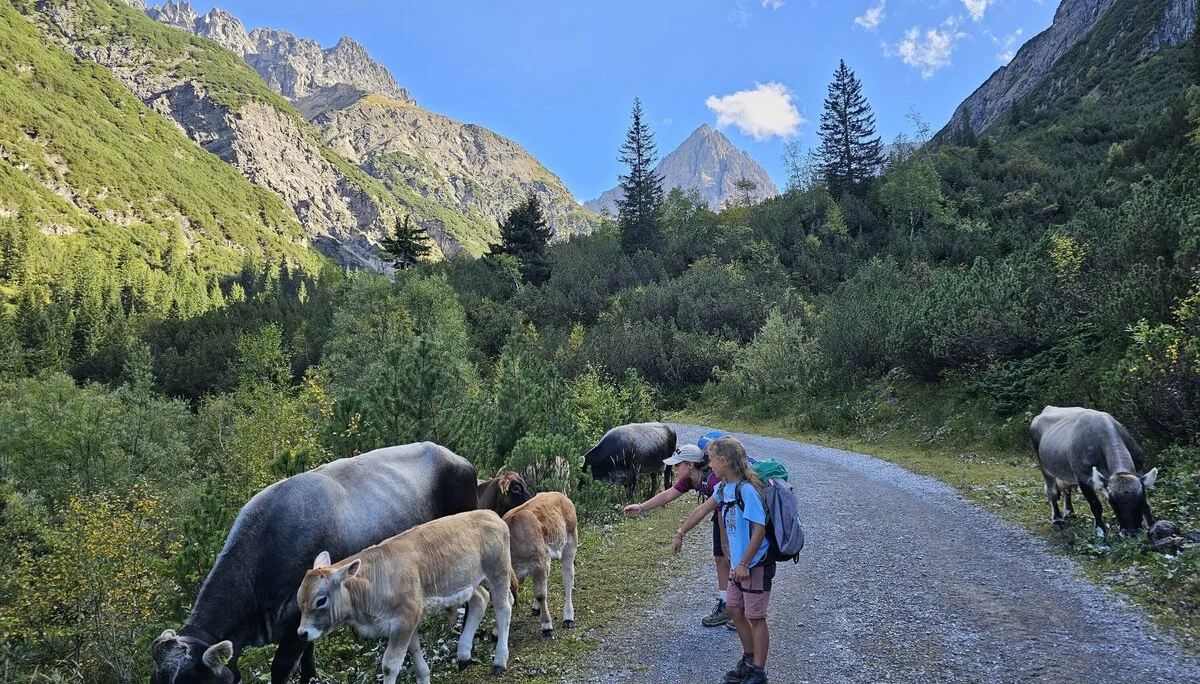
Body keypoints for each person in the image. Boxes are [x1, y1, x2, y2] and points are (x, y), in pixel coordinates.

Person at [625, 433, 732, 627]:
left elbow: (701, 511)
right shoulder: (691, 479)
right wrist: (641, 507)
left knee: (734, 558)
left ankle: (742, 608)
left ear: (690, 465)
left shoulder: (716, 480)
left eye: (677, 465)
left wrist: (680, 533)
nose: (673, 469)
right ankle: (727, 605)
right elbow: (668, 495)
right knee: (720, 559)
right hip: (721, 515)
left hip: (736, 518)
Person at [709, 436, 773, 684]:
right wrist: (728, 551)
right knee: (735, 610)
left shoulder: (747, 489)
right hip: (738, 564)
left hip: (755, 564)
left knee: (756, 616)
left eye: (712, 460)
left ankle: (759, 672)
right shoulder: (725, 488)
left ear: (724, 461)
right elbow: (724, 518)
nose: (710, 465)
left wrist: (745, 563)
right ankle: (748, 661)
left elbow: (760, 530)